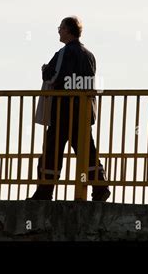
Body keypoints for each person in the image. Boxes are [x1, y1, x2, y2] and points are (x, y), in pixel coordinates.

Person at [28, 16, 111, 201]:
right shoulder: (89, 55)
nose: (59, 31)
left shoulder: (64, 52)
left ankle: (44, 191)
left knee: (52, 151)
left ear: (68, 30)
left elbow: (54, 76)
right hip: (83, 112)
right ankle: (100, 187)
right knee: (87, 152)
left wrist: (44, 69)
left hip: (63, 112)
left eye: (61, 28)